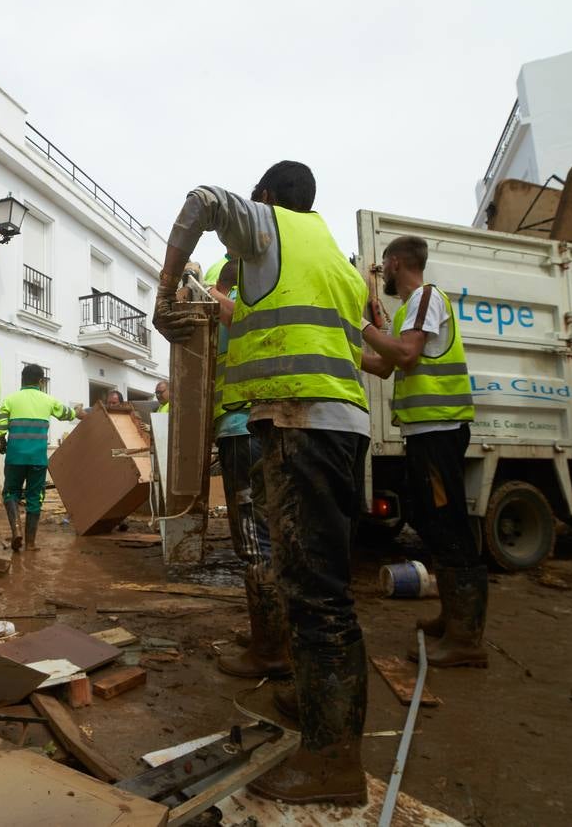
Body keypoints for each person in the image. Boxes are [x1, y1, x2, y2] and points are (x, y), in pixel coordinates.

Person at [153, 161, 370, 805]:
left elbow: (201, 199)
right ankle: (318, 707)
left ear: (269, 199)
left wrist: (169, 287)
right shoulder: (335, 259)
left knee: (316, 592)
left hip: (306, 419)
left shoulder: (272, 227)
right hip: (322, 420)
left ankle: (334, 762)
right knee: (313, 581)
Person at [359, 236, 485, 667]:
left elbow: (407, 355)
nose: (383, 273)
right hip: (424, 433)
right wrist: (348, 346)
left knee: (449, 526)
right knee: (432, 522)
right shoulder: (410, 309)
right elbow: (383, 364)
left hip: (439, 431)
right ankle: (453, 619)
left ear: (395, 263)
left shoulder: (426, 298)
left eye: (383, 267)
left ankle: (466, 640)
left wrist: (364, 329)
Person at [205, 258, 290, 680]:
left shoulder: (236, 304)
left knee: (254, 539)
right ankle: (268, 633)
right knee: (267, 530)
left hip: (243, 426)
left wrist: (204, 291)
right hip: (255, 424)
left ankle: (270, 649)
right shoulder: (264, 301)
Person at [0, 364, 81, 551]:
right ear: (41, 381)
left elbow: (0, 427)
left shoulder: (10, 400)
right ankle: (31, 543)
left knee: (10, 493)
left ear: (22, 379)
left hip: (14, 458)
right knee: (35, 497)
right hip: (38, 460)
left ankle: (16, 531)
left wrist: (3, 443)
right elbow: (67, 413)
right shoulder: (47, 400)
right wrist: (79, 412)